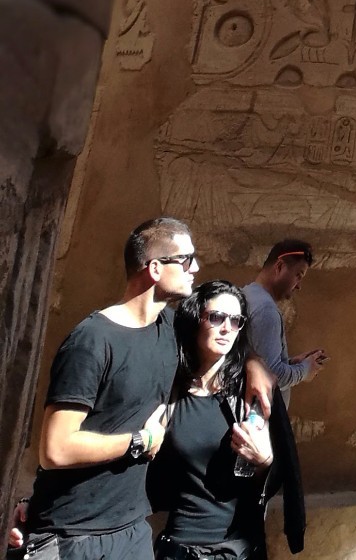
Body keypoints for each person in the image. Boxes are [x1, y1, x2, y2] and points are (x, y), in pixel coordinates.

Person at [21, 218, 202, 560]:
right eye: (187, 259)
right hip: (71, 535)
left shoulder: (169, 328)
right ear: (155, 268)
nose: (196, 268)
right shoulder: (92, 341)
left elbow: (224, 335)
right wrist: (141, 440)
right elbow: (56, 448)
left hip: (131, 528)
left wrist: (257, 368)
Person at [148, 280, 303, 560]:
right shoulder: (171, 387)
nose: (227, 328)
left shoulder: (253, 392)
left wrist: (264, 462)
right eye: (217, 317)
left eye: (236, 321)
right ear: (196, 319)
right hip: (179, 546)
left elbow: (279, 474)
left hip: (236, 549)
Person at [242, 241, 326, 398]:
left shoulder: (247, 294)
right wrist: (305, 370)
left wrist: (292, 363)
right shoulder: (265, 310)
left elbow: (259, 362)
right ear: (280, 266)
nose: (298, 285)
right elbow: (272, 376)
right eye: (298, 275)